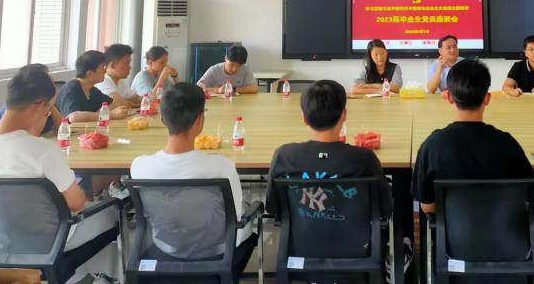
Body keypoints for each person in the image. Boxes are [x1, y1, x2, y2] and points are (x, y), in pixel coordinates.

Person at [0, 65, 120, 282]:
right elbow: (76, 204)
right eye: (49, 110)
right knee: (113, 211)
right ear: (39, 106)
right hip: (55, 241)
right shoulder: (44, 151)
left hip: (3, 241)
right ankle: (98, 278)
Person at [131, 83, 258, 278]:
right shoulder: (221, 167)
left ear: (163, 119)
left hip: (164, 250)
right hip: (218, 256)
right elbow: (236, 216)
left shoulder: (140, 166)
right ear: (200, 120)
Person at [265, 80, 393, 267]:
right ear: (344, 115)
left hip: (299, 256)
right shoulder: (364, 159)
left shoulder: (284, 156)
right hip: (358, 256)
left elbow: (273, 207)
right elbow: (384, 208)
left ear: (304, 118)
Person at [413, 59, 532, 214]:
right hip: (504, 228)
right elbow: (527, 197)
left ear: (448, 97)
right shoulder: (507, 143)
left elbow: (427, 206)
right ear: (487, 98)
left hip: (452, 228)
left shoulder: (433, 145)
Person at [55, 50, 130, 122]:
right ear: (90, 74)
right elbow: (73, 117)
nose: (105, 71)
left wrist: (99, 113)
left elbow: (114, 103)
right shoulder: (71, 90)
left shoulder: (91, 90)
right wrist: (109, 115)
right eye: (102, 68)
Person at [0, 62, 64, 133]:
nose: (53, 84)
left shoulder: (42, 103)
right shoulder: (17, 109)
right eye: (50, 80)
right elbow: (32, 134)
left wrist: (49, 103)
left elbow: (62, 126)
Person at [96, 43, 142, 107]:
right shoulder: (103, 81)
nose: (129, 67)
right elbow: (119, 103)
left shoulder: (121, 81)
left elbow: (136, 98)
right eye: (126, 63)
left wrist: (147, 100)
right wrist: (141, 104)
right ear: (112, 65)